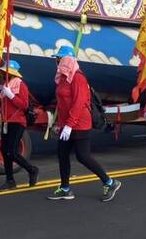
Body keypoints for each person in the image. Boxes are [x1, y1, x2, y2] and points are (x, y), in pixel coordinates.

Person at [47, 53, 121, 202]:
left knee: (83, 156)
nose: (57, 62)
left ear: (66, 60)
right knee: (62, 154)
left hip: (80, 123)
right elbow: (62, 104)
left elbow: (79, 103)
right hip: (67, 123)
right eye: (56, 59)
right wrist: (60, 124)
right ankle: (65, 188)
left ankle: (110, 182)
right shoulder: (62, 78)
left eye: (59, 59)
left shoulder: (78, 78)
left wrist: (69, 125)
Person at [0, 60, 39, 191]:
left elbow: (24, 105)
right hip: (6, 121)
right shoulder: (6, 86)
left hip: (17, 122)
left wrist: (11, 95)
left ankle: (32, 170)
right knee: (4, 150)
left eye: (4, 72)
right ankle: (10, 180)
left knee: (12, 152)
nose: (3, 75)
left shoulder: (21, 85)